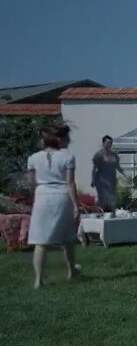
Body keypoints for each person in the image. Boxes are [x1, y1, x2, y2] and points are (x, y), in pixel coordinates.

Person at [27, 123, 81, 288]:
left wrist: (35, 198)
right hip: (61, 196)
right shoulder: (68, 157)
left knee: (40, 241)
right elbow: (70, 183)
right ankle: (71, 271)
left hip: (42, 196)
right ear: (58, 139)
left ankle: (38, 280)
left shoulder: (33, 158)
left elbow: (31, 183)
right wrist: (76, 205)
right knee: (68, 239)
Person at [91, 135, 126, 211]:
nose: (109, 144)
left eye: (110, 143)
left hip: (112, 181)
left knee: (112, 199)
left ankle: (112, 213)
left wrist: (124, 175)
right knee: (102, 199)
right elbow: (95, 168)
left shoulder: (114, 155)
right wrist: (93, 180)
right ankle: (101, 213)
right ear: (103, 143)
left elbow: (117, 166)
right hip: (102, 182)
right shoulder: (99, 155)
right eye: (107, 143)